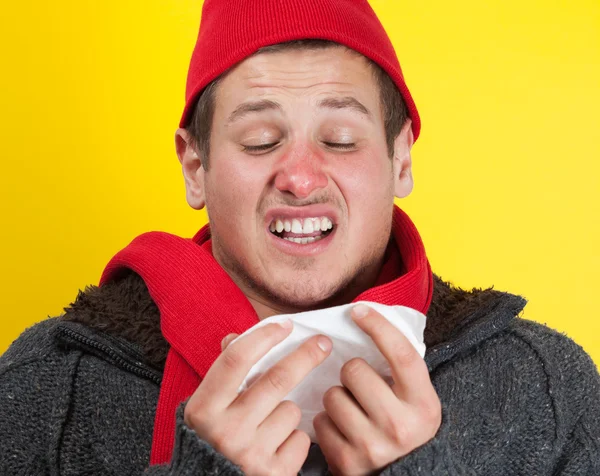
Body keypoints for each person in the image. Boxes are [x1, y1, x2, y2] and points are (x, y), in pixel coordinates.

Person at [1, 0, 599, 474]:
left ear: (401, 160)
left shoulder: (548, 389)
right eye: (261, 140)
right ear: (195, 167)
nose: (301, 176)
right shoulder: (44, 385)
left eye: (340, 138)